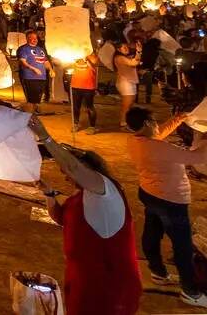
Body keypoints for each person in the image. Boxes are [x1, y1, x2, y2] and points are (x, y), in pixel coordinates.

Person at [29, 116, 141, 314]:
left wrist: (45, 137)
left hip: (108, 286)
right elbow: (62, 218)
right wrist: (49, 194)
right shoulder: (81, 193)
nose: (66, 175)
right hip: (82, 279)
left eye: (67, 170)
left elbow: (74, 167)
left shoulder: (105, 191)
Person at [124, 106, 207, 310]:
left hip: (150, 192)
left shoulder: (136, 141)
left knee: (152, 232)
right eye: (153, 121)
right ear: (146, 124)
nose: (156, 125)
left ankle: (158, 271)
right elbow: (197, 158)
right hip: (171, 200)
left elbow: (158, 134)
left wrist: (177, 119)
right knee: (182, 245)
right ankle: (190, 291)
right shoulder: (157, 148)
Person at [16, 30, 52, 114]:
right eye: (32, 38)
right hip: (29, 77)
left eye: (36, 38)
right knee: (31, 98)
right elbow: (23, 62)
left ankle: (36, 110)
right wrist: (33, 69)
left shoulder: (40, 49)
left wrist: (51, 69)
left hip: (41, 77)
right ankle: (30, 114)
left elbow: (45, 61)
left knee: (38, 97)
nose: (35, 40)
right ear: (27, 39)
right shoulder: (23, 49)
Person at [68, 53, 100, 134]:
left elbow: (95, 63)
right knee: (75, 106)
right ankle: (75, 124)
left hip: (88, 86)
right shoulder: (75, 53)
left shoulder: (93, 56)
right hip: (75, 85)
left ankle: (92, 127)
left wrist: (86, 56)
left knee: (89, 107)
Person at [114, 41, 143, 130]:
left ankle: (127, 121)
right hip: (125, 83)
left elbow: (135, 62)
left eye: (127, 47)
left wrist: (138, 53)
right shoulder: (119, 58)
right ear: (119, 49)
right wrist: (138, 52)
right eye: (124, 47)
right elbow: (134, 63)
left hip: (130, 82)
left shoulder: (125, 57)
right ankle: (123, 123)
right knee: (126, 104)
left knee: (130, 104)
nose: (127, 49)